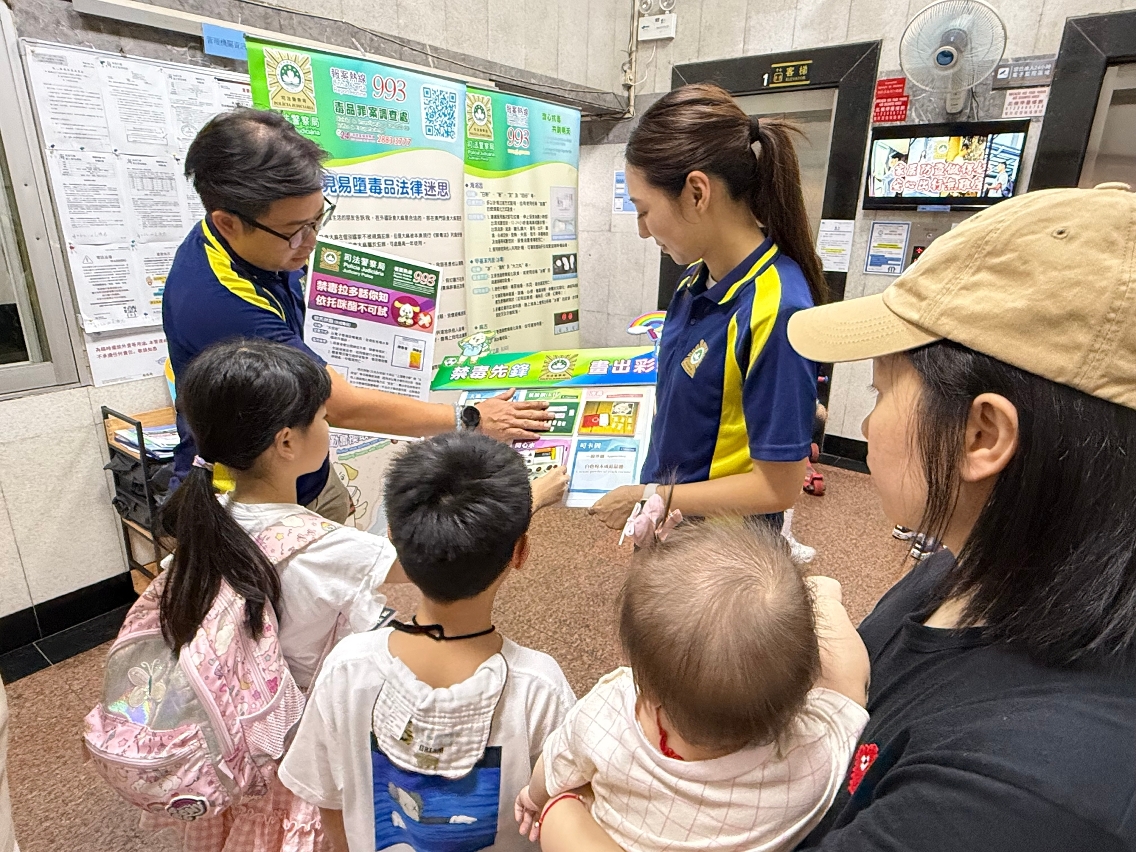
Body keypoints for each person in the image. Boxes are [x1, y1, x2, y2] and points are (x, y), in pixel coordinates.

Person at [547, 184, 1136, 852]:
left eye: (881, 392)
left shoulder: (1018, 797)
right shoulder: (971, 565)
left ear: (982, 436)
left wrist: (565, 816)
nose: (866, 423)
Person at [164, 108, 557, 523]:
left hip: (298, 468)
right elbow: (341, 406)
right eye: (296, 231)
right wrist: (470, 420)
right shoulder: (219, 304)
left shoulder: (249, 242)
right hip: (246, 501)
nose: (311, 243)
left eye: (317, 219)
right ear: (227, 223)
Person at [147, 338, 413, 850]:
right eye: (323, 418)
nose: (329, 429)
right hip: (303, 746)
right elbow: (435, 561)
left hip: (237, 747)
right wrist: (530, 494)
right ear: (287, 442)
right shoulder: (322, 547)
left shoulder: (211, 519)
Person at [279, 431, 577, 852]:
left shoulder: (346, 668)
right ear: (520, 553)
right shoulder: (541, 688)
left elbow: (328, 801)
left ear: (393, 541)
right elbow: (565, 814)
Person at [515, 519, 868, 851]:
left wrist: (533, 797)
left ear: (649, 690)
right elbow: (849, 688)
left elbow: (557, 761)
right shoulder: (812, 760)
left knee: (561, 806)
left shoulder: (610, 713)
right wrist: (825, 598)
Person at [588, 84, 825, 533]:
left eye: (643, 210)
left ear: (697, 192)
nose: (642, 231)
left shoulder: (776, 308)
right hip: (671, 525)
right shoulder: (694, 281)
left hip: (722, 549)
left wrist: (651, 496)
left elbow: (779, 487)